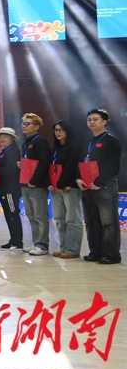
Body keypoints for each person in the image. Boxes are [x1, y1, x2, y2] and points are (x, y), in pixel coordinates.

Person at [77, 109, 122, 264]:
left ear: (104, 122)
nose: (91, 122)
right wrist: (78, 179)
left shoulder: (112, 142)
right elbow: (81, 163)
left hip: (104, 187)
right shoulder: (87, 142)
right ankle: (95, 252)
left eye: (95, 119)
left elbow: (113, 166)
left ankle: (111, 255)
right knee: (91, 221)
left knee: (108, 222)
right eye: (89, 119)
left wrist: (99, 182)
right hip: (87, 187)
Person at [48, 121, 82, 259]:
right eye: (55, 130)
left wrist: (61, 184)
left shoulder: (74, 147)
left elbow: (70, 168)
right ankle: (64, 247)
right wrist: (51, 184)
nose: (58, 132)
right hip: (56, 188)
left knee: (72, 219)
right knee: (59, 219)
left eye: (61, 130)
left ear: (68, 131)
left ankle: (73, 250)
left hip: (69, 188)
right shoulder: (55, 148)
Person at [18, 113, 52, 256]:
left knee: (40, 216)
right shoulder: (25, 143)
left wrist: (34, 181)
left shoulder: (40, 142)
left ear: (37, 127)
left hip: (37, 186)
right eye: (23, 123)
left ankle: (42, 245)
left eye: (27, 124)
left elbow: (44, 164)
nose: (24, 126)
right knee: (31, 216)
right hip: (25, 184)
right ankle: (36, 242)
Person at [0, 128, 24, 250]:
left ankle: (17, 241)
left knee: (12, 213)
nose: (2, 139)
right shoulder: (5, 152)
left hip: (10, 189)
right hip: (4, 188)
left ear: (12, 139)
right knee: (9, 214)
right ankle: (13, 240)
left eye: (5, 137)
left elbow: (12, 171)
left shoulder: (12, 152)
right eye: (1, 137)